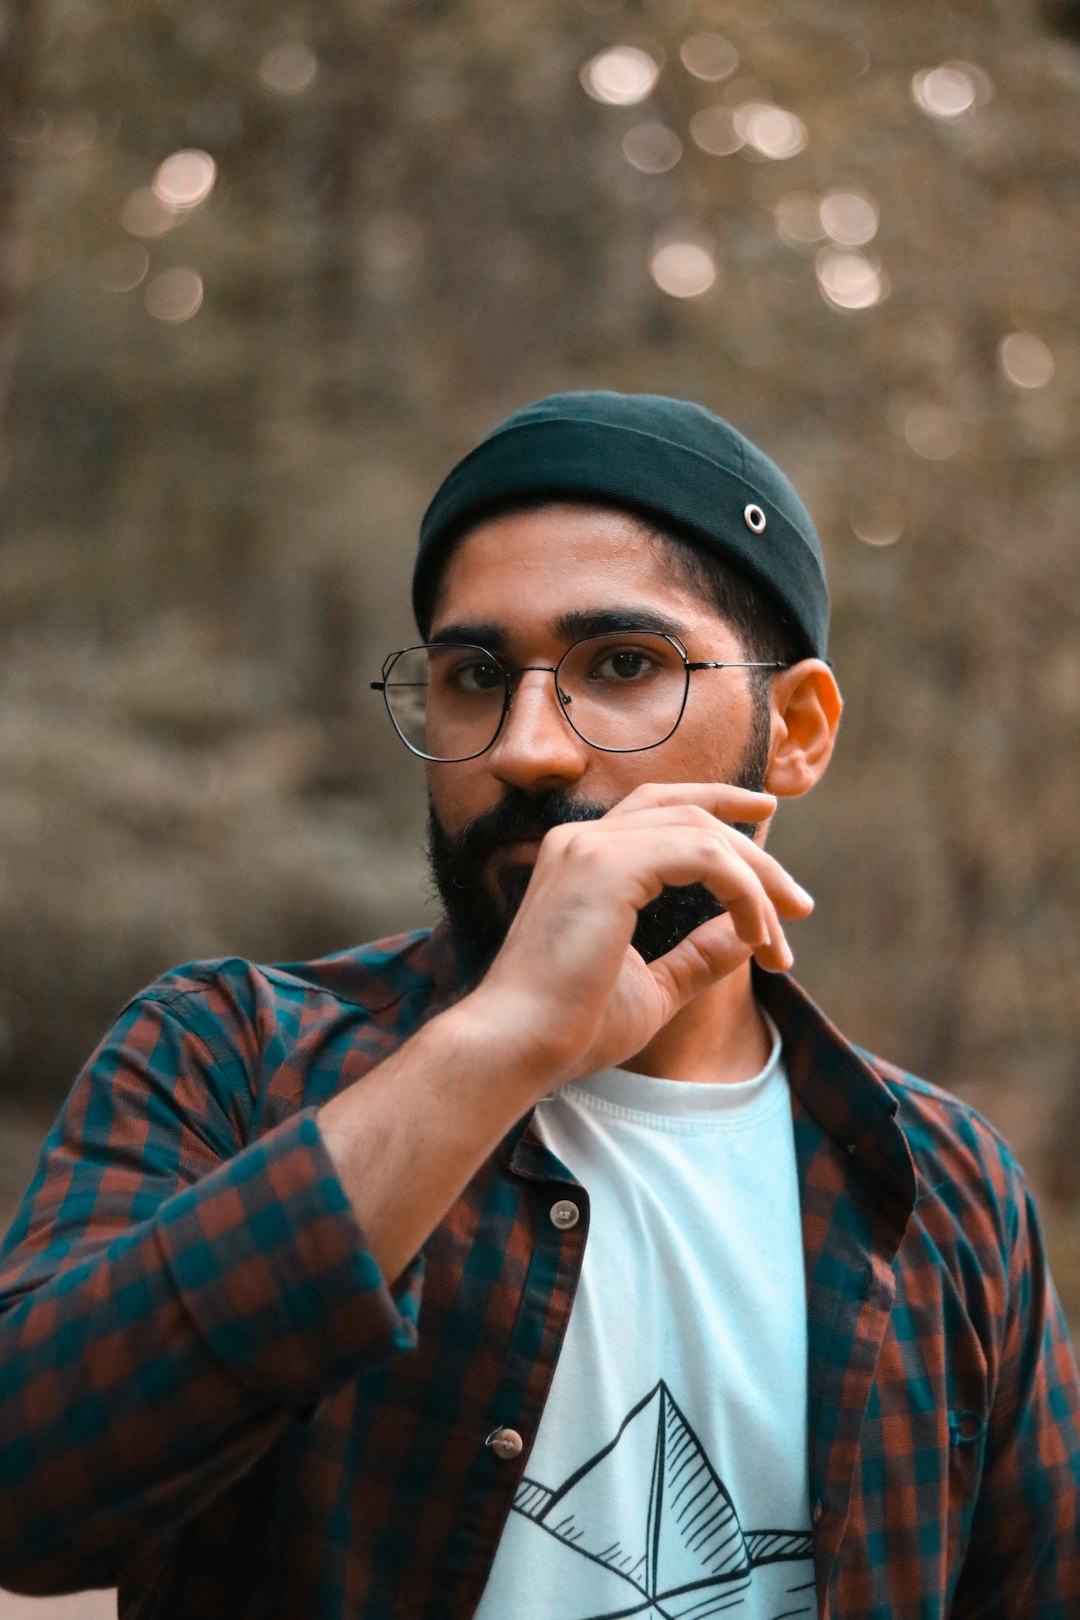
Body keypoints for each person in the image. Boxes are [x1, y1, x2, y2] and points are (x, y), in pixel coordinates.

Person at [1, 391, 1077, 1620]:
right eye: (472, 676)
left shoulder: (941, 1184)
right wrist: (496, 1050)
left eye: (622, 666)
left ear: (796, 731)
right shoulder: (230, 1058)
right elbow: (31, 1498)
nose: (526, 750)